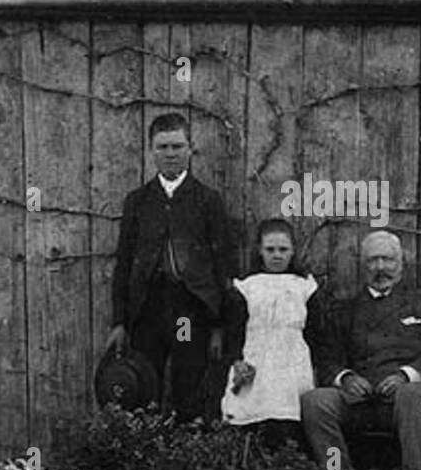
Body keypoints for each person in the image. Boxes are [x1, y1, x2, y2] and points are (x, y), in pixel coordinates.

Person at [106, 112, 235, 422]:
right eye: (162, 147)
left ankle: (182, 455)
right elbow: (124, 263)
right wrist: (119, 321)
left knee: (186, 380)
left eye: (177, 146)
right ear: (151, 151)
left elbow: (223, 265)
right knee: (142, 383)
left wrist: (220, 324)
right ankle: (144, 458)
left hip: (186, 311)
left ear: (190, 149)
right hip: (148, 309)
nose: (170, 154)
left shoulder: (207, 200)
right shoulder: (138, 201)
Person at [300, 231, 421, 470]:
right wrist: (345, 378)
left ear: (401, 264)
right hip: (361, 400)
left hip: (411, 398)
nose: (380, 268)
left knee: (410, 396)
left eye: (388, 260)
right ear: (363, 266)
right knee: (315, 402)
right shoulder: (345, 310)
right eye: (372, 261)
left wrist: (406, 375)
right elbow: (327, 358)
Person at [220, 218, 320, 445]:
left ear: (293, 251)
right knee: (250, 412)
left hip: (292, 362)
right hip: (256, 360)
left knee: (288, 414)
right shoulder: (247, 287)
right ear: (260, 251)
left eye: (283, 250)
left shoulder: (303, 286)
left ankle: (288, 466)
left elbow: (315, 333)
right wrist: (237, 361)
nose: (277, 255)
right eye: (270, 249)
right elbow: (234, 332)